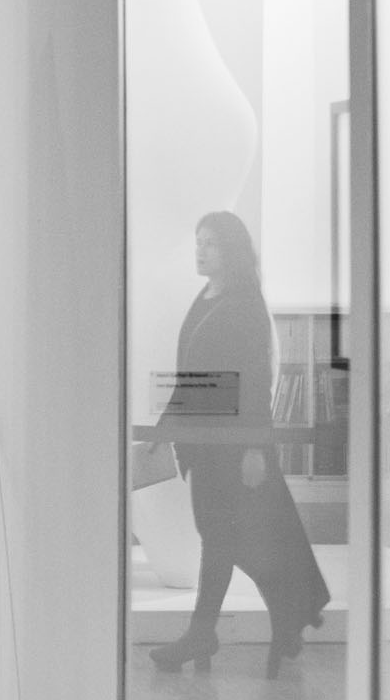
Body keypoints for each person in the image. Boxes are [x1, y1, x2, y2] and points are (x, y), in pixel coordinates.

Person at [150, 210, 330, 678]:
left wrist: (254, 447)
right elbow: (191, 373)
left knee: (223, 537)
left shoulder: (245, 302)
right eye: (198, 241)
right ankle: (283, 618)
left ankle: (205, 632)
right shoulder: (207, 296)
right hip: (205, 443)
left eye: (209, 242)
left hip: (233, 446)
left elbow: (255, 379)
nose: (200, 250)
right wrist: (166, 425)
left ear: (230, 249)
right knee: (225, 537)